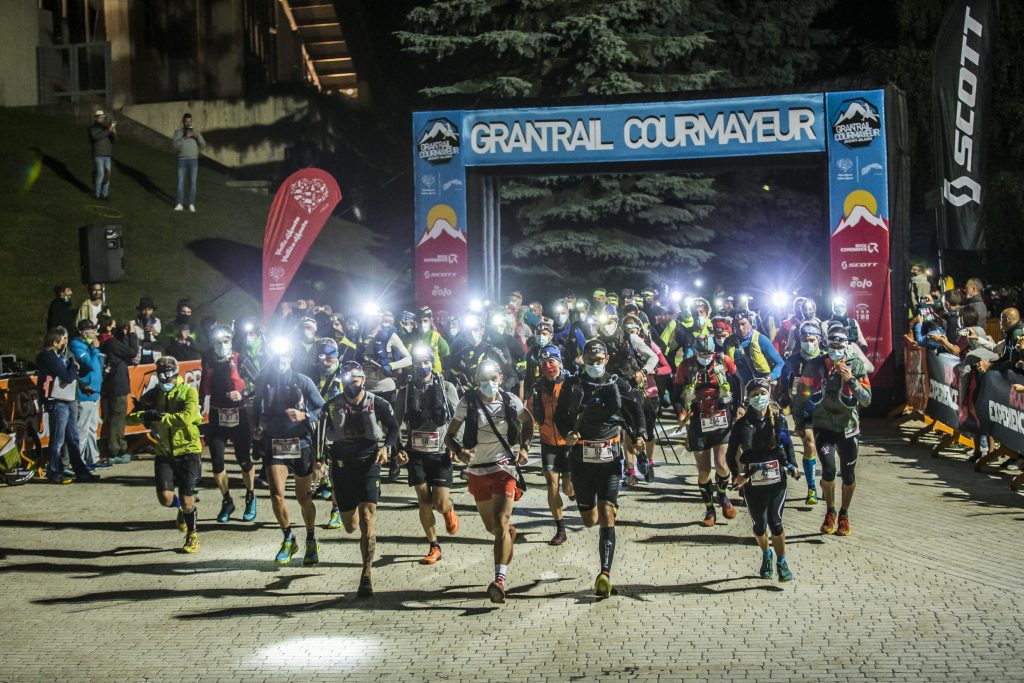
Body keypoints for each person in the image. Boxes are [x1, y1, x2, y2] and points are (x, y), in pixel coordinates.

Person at [554, 339, 645, 598]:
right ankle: (588, 508)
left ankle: (604, 573)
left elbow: (635, 409)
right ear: (583, 359)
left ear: (606, 359)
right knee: (589, 519)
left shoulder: (617, 382)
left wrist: (639, 435)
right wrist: (566, 434)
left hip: (610, 458)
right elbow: (560, 416)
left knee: (607, 513)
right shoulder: (573, 384)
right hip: (582, 458)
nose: (595, 364)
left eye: (599, 360)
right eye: (590, 360)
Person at [445, 360, 533, 604]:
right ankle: (508, 535)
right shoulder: (468, 402)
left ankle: (499, 580)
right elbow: (449, 436)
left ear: (500, 378)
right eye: (483, 379)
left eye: (493, 378)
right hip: (478, 471)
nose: (489, 383)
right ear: (476, 380)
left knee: (501, 521)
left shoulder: (510, 400)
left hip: (505, 468)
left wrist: (524, 448)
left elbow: (528, 421)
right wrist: (460, 451)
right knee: (492, 528)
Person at [325, 361, 400, 596]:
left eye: (356, 380)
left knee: (368, 517)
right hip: (342, 466)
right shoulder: (331, 406)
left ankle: (366, 574)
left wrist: (387, 447)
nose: (352, 385)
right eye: (348, 381)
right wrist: (319, 461)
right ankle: (345, 509)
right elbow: (320, 433)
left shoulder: (378, 403)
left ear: (363, 380)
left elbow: (394, 427)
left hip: (369, 462)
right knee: (351, 525)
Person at [792, 330, 871, 536]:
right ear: (827, 346)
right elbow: (802, 394)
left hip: (848, 428)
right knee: (828, 470)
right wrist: (798, 419)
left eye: (840, 347)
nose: (836, 351)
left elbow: (867, 400)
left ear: (847, 346)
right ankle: (830, 511)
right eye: (832, 347)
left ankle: (844, 514)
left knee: (848, 475)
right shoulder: (815, 365)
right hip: (824, 426)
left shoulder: (856, 364)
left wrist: (852, 380)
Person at [252, 339, 325, 566]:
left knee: (303, 497)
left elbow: (322, 407)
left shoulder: (303, 381)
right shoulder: (264, 382)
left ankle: (311, 538)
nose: (281, 360)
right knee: (276, 495)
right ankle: (288, 537)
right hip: (274, 444)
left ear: (292, 358)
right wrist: (256, 429)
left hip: (300, 444)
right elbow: (255, 407)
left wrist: (305, 416)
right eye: (278, 356)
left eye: (286, 356)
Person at [126, 357, 202, 552]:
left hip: (188, 449)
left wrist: (161, 417)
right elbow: (129, 419)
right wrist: (144, 415)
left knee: (187, 499)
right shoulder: (152, 394)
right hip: (164, 450)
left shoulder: (188, 392)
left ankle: (192, 535)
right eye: (161, 376)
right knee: (165, 498)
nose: (166, 380)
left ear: (176, 373)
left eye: (169, 375)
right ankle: (179, 509)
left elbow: (188, 417)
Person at [727, 378, 798, 582]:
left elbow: (788, 444)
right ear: (748, 398)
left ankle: (781, 561)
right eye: (754, 394)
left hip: (776, 479)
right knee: (760, 525)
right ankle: (766, 554)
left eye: (762, 393)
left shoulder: (778, 419)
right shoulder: (741, 425)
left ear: (769, 394)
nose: (759, 398)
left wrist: (792, 465)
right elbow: (731, 454)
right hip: (752, 481)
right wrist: (735, 475)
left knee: (775, 522)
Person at [395, 346, 461, 564]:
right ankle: (434, 546)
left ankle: (448, 509)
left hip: (440, 452)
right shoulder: (405, 392)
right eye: (418, 362)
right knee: (424, 501)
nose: (422, 366)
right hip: (416, 454)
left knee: (439, 503)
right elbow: (394, 424)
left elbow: (458, 418)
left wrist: (456, 446)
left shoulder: (447, 387)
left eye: (426, 361)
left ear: (432, 363)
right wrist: (398, 450)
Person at [672, 334, 743, 526]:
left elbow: (738, 382)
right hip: (698, 420)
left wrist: (740, 406)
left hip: (721, 418)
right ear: (695, 352)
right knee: (703, 471)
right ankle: (709, 508)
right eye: (701, 353)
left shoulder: (723, 361)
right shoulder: (686, 366)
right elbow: (676, 393)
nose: (706, 356)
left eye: (709, 353)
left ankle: (722, 495)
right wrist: (680, 412)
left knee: (722, 464)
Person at [201, 325, 257, 524]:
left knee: (243, 459)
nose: (222, 345)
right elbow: (203, 388)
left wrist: (243, 394)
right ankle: (227, 501)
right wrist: (199, 407)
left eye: (225, 341)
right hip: (217, 417)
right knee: (217, 463)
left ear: (231, 342)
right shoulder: (208, 360)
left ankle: (250, 496)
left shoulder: (240, 359)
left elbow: (259, 382)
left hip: (239, 416)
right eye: (218, 342)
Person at [37, 327, 98, 484]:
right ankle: (55, 472)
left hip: (68, 399)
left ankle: (81, 471)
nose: (66, 342)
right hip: (57, 401)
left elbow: (72, 376)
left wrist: (83, 385)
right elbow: (67, 376)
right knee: (58, 439)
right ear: (56, 341)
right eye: (64, 339)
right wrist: (74, 366)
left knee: (73, 438)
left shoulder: (60, 355)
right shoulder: (47, 356)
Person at [527, 345, 574, 545]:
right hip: (548, 442)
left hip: (569, 443)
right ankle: (560, 529)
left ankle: (577, 493)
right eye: (544, 363)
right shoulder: (537, 388)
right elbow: (529, 415)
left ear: (559, 362)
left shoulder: (571, 384)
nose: (548, 366)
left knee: (569, 488)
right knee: (551, 486)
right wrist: (525, 444)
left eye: (551, 362)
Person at [777, 321, 824, 504]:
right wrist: (784, 399)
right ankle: (811, 488)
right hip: (802, 410)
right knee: (810, 445)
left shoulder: (825, 360)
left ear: (819, 340)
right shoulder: (792, 361)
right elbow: (784, 385)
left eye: (812, 339)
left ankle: (826, 478)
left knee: (823, 448)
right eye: (805, 340)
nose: (809, 343)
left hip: (824, 410)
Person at [100, 320, 138, 465]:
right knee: (118, 417)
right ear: (109, 327)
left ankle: (120, 448)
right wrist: (132, 333)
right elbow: (132, 352)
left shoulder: (106, 342)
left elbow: (124, 350)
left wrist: (124, 335)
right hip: (117, 384)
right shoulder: (111, 343)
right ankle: (116, 450)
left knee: (116, 417)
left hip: (112, 383)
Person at [70, 319, 105, 469]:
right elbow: (89, 364)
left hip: (95, 391)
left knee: (92, 427)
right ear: (84, 332)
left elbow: (98, 364)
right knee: (82, 429)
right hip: (85, 393)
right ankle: (78, 462)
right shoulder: (77, 345)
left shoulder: (89, 346)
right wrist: (94, 349)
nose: (95, 334)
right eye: (92, 331)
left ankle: (92, 458)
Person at [733, 312, 784, 387]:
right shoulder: (729, 343)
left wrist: (770, 377)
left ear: (751, 323)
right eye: (737, 325)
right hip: (737, 387)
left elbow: (780, 363)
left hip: (759, 385)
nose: (740, 328)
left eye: (743, 324)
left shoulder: (761, 340)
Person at [173, 112, 206, 212]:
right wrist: (185, 137)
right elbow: (175, 145)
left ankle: (191, 204)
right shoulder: (178, 132)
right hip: (182, 160)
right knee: (181, 183)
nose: (188, 123)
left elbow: (203, 145)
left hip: (193, 160)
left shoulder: (196, 131)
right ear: (183, 122)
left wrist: (197, 137)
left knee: (193, 183)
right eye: (187, 121)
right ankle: (179, 204)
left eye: (190, 121)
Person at [89, 109, 116, 200]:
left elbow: (113, 140)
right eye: (100, 117)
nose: (102, 119)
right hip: (98, 155)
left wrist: (113, 132)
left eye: (103, 118)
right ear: (96, 118)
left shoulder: (105, 128)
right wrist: (108, 130)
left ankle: (105, 195)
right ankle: (97, 194)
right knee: (100, 174)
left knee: (107, 176)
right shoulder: (93, 128)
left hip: (107, 155)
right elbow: (96, 137)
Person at [134, 297, 162, 364]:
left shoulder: (157, 322)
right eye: (144, 309)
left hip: (155, 357)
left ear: (152, 310)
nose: (147, 312)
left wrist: (154, 332)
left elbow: (162, 341)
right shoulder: (133, 323)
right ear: (140, 310)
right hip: (139, 358)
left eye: (149, 309)